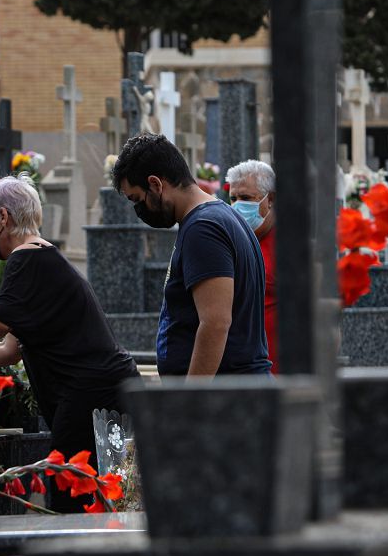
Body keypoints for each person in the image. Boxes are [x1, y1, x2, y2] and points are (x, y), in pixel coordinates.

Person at [0, 175, 140, 512]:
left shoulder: (26, 257)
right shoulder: (43, 258)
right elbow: (8, 348)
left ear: (4, 217)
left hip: (88, 391)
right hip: (101, 387)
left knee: (69, 493)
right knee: (92, 492)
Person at [111, 133, 270, 378]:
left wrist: (192, 400)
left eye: (137, 200)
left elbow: (215, 323)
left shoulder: (203, 228)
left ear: (155, 184)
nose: (139, 210)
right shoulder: (223, 216)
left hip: (224, 397)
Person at [226, 159, 278, 373]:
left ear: (271, 200)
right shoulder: (228, 240)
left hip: (281, 376)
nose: (237, 205)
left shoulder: (295, 247)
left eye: (246, 198)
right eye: (233, 198)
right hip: (237, 373)